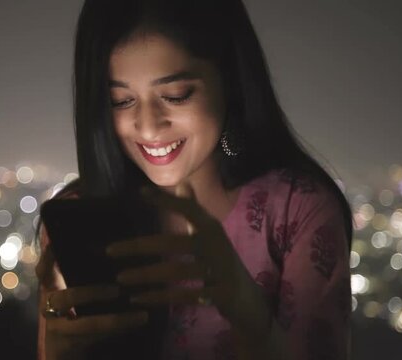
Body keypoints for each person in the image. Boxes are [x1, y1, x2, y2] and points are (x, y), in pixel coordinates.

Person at [35, 0, 353, 359]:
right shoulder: (78, 221)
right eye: (121, 101)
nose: (149, 125)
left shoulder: (297, 211)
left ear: (229, 81)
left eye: (175, 95)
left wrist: (250, 317)